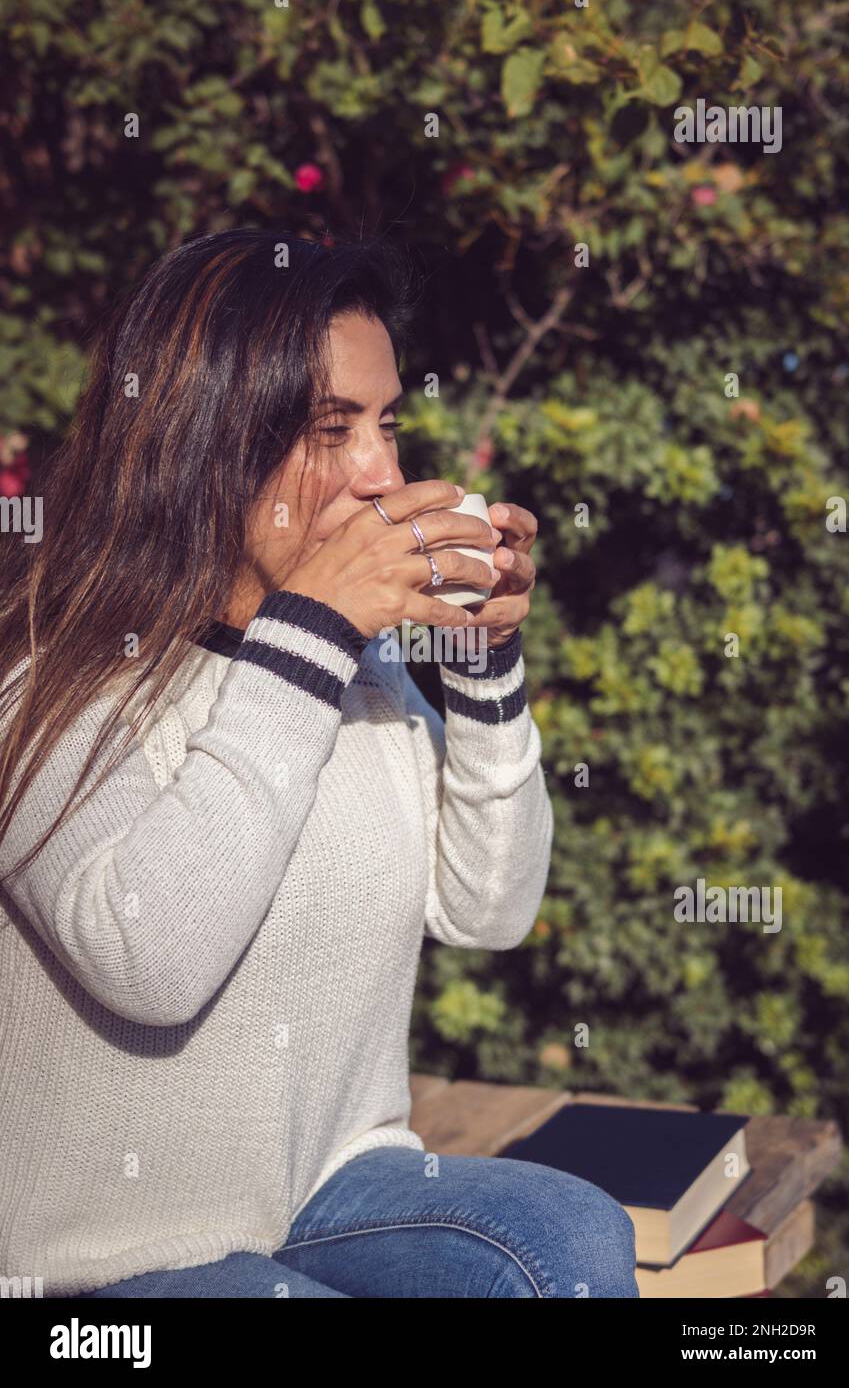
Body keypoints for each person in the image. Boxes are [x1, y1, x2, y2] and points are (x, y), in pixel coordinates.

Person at [0, 229, 638, 1298]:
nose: (381, 473)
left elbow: (488, 908)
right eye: (328, 428)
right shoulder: (45, 680)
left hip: (320, 1193)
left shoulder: (352, 663)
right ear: (203, 437)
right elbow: (149, 961)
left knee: (566, 1236)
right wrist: (315, 627)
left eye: (385, 424)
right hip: (91, 1264)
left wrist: (481, 668)